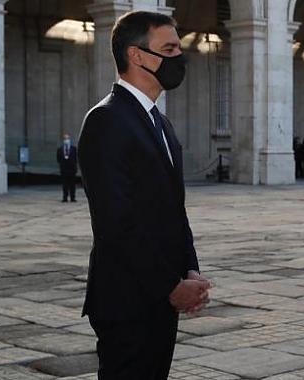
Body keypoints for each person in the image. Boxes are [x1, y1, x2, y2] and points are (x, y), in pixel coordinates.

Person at [78, 11, 211, 379]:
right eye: (168, 49)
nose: (178, 58)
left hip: (160, 298)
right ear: (136, 56)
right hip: (128, 300)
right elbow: (115, 225)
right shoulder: (106, 120)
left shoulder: (159, 122)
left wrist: (190, 269)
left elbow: (173, 209)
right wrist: (170, 287)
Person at [56, 133, 78, 202]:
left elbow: (76, 158)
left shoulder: (73, 149)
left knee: (72, 185)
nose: (66, 140)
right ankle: (65, 197)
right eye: (65, 139)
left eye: (67, 138)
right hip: (64, 169)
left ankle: (72, 198)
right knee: (65, 185)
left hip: (72, 169)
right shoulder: (60, 149)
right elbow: (58, 159)